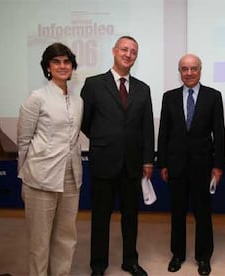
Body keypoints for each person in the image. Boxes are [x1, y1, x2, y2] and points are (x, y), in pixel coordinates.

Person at [80, 35, 154, 276]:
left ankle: (130, 261)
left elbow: (146, 128)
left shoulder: (143, 89)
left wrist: (147, 160)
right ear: (114, 51)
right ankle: (98, 266)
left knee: (130, 217)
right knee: (100, 218)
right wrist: (104, 140)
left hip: (132, 164)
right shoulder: (93, 84)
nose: (128, 54)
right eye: (124, 49)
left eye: (133, 51)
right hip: (103, 161)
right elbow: (85, 122)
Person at [17, 42, 83, 275]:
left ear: (72, 66)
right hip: (40, 177)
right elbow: (24, 141)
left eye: (66, 61)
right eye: (56, 61)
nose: (62, 66)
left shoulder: (78, 100)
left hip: (70, 176)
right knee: (39, 242)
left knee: (66, 237)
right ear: (47, 67)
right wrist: (23, 178)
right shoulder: (36, 98)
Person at [157, 54, 225, 276]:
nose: (189, 73)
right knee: (177, 213)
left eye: (193, 68)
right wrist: (163, 163)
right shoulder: (169, 97)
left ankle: (203, 257)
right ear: (179, 71)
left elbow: (218, 132)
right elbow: (163, 133)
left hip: (203, 167)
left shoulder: (213, 97)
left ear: (200, 70)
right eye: (184, 69)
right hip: (176, 165)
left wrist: (218, 166)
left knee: (203, 213)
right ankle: (177, 255)